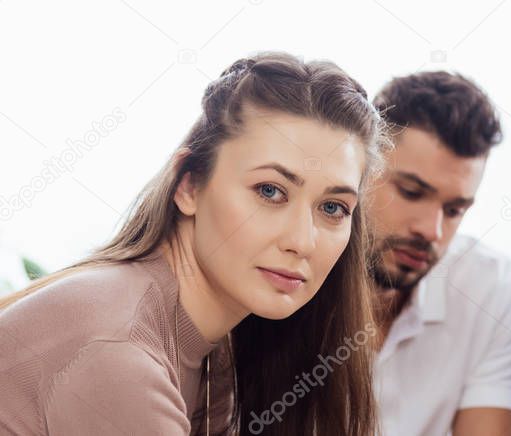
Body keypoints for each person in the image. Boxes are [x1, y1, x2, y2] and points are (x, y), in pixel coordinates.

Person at [0, 52, 383, 436]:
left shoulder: (211, 363)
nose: (302, 241)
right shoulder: (119, 356)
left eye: (332, 207)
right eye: (270, 191)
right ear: (189, 184)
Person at [368, 71, 511, 436]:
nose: (432, 230)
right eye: (410, 191)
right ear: (360, 168)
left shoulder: (493, 289)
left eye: (454, 210)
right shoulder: (288, 270)